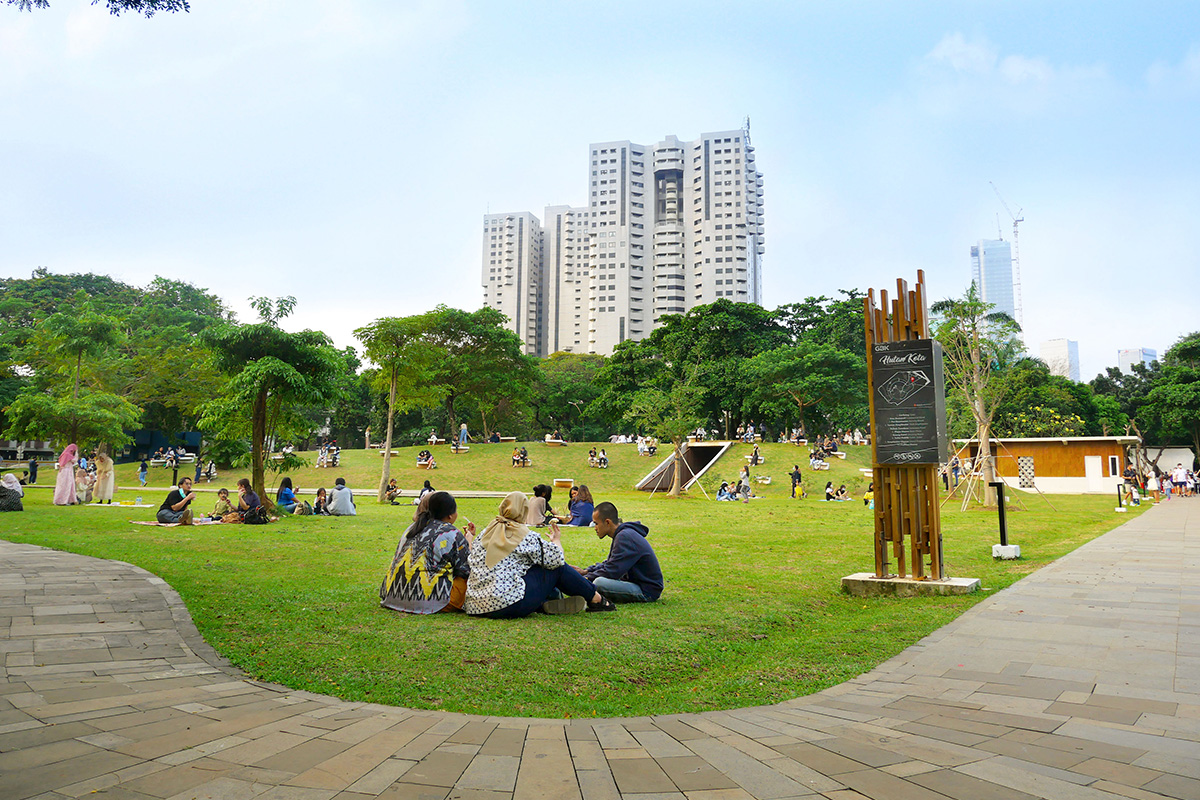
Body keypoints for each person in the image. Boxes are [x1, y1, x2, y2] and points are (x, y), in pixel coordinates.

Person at [464, 491, 615, 618]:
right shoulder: (523, 535)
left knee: (531, 565)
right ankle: (596, 599)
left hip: (475, 605)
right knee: (555, 568)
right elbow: (557, 561)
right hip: (506, 605)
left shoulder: (486, 532)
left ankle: (546, 602)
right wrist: (556, 541)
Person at [380, 491, 476, 614]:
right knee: (467, 580)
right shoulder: (451, 533)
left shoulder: (412, 528)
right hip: (430, 600)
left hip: (392, 595)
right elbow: (466, 569)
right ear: (450, 515)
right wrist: (468, 542)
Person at [580, 501, 663, 603]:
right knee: (598, 580)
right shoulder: (623, 534)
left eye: (596, 523)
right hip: (635, 583)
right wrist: (587, 571)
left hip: (646, 591)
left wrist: (585, 579)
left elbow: (612, 571)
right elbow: (610, 563)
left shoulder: (624, 537)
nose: (595, 528)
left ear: (607, 522)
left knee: (599, 582)